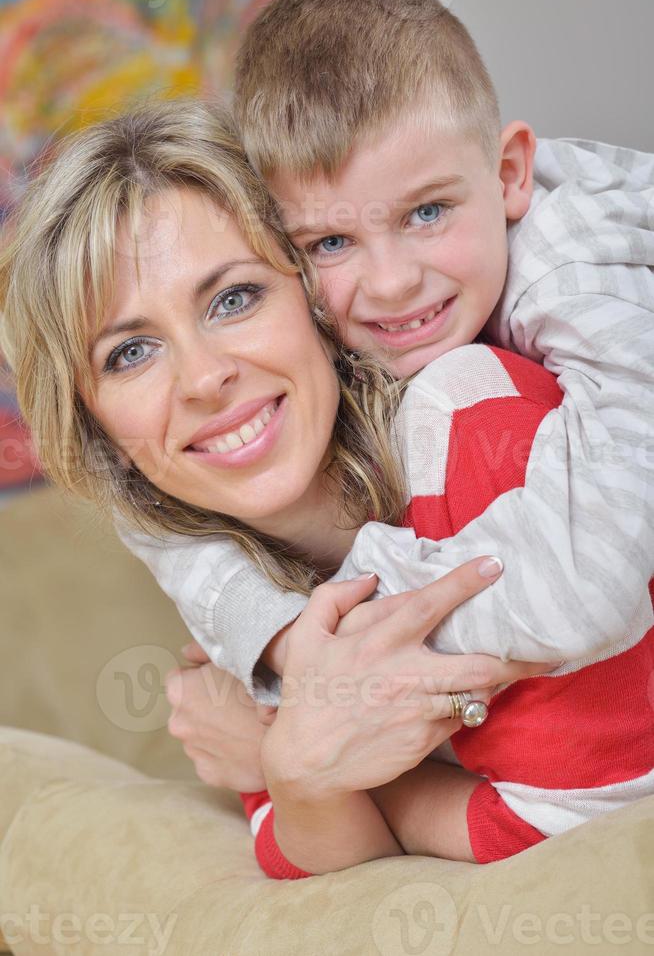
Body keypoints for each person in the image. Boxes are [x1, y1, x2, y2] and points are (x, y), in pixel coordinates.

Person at [0, 103, 650, 878]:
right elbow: (303, 849)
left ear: (312, 296)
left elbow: (589, 810)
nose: (206, 378)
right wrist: (306, 772)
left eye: (233, 298)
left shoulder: (474, 422)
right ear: (96, 425)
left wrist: (289, 750)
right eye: (132, 352)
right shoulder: (235, 576)